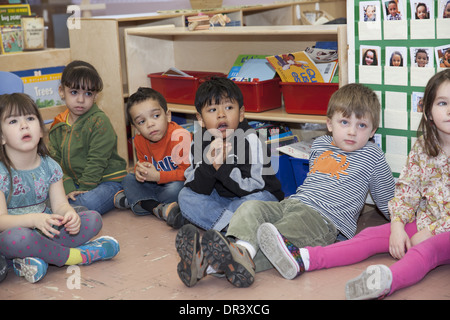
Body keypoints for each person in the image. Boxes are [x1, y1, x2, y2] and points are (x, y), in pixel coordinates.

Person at [175, 83, 395, 288]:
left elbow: (388, 201)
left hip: (326, 220)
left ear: (373, 131)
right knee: (250, 209)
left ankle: (215, 261)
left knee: (275, 237)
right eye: (344, 122)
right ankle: (226, 257)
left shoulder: (372, 155)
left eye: (362, 125)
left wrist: (402, 223)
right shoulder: (320, 144)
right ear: (330, 124)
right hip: (292, 203)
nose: (352, 131)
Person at [258, 69, 450, 300]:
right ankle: (304, 259)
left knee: (424, 251)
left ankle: (386, 281)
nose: (449, 110)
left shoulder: (375, 154)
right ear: (428, 110)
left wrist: (430, 232)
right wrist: (398, 226)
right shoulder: (422, 146)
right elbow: (407, 191)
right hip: (425, 220)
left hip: (441, 230)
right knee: (369, 237)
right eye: (442, 102)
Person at [0, 93, 120, 283]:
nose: (24, 125)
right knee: (16, 238)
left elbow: (60, 206)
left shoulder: (50, 166)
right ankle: (77, 256)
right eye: (13, 121)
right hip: (14, 235)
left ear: (40, 131)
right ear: (1, 137)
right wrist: (34, 220)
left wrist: (69, 214)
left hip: (47, 232)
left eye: (30, 119)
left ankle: (36, 259)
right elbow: (1, 221)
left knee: (92, 219)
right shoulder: (1, 173)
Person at [174, 77, 284, 233]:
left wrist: (222, 167)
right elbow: (197, 187)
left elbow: (255, 186)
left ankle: (221, 224)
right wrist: (209, 164)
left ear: (241, 114)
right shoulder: (198, 141)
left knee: (259, 201)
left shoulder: (251, 140)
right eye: (212, 110)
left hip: (253, 195)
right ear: (201, 120)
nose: (221, 115)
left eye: (229, 107)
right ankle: (231, 227)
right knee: (185, 196)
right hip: (221, 199)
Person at [48, 60, 127, 215]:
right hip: (76, 183)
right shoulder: (58, 125)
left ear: (96, 96)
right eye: (74, 92)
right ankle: (69, 208)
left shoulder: (99, 122)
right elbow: (54, 164)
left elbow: (96, 161)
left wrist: (83, 190)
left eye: (88, 94)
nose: (81, 100)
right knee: (46, 197)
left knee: (86, 202)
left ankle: (119, 195)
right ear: (61, 91)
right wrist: (69, 187)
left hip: (107, 181)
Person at [114, 87, 191, 226]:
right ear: (136, 128)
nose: (150, 124)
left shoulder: (180, 136)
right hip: (155, 184)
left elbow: (188, 174)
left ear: (167, 115)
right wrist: (140, 171)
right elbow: (143, 164)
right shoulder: (139, 140)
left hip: (175, 183)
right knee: (128, 179)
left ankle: (141, 202)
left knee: (177, 189)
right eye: (141, 122)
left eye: (156, 116)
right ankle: (158, 208)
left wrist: (158, 177)